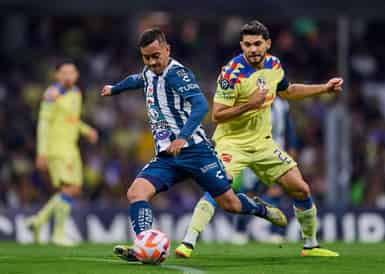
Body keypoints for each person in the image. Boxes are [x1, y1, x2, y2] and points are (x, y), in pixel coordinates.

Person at [100, 28, 287, 262]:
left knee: (230, 204)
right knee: (136, 193)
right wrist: (115, 88)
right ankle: (143, 247)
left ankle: (261, 209)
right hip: (168, 156)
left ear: (167, 50)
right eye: (146, 58)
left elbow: (200, 106)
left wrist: (183, 137)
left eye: (156, 56)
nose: (151, 62)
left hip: (196, 152)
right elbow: (138, 79)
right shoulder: (149, 72)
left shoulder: (177, 74)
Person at [175, 20, 342, 258]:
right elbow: (217, 115)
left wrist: (324, 88)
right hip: (232, 142)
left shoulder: (274, 65)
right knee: (218, 185)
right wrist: (249, 104)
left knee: (301, 189)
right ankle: (187, 243)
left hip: (263, 143)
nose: (252, 49)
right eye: (247, 45)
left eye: (257, 44)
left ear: (267, 44)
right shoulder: (230, 73)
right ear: (241, 46)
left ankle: (311, 246)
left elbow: (289, 91)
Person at [26, 61, 98, 246]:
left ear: (77, 75)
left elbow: (72, 120)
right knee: (68, 188)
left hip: (72, 148)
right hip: (56, 148)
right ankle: (57, 234)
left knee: (74, 189)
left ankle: (39, 221)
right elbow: (43, 124)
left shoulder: (76, 93)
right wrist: (41, 152)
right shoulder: (52, 95)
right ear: (56, 76)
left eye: (71, 72)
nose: (68, 76)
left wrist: (86, 130)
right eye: (63, 73)